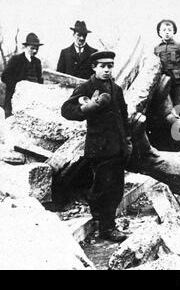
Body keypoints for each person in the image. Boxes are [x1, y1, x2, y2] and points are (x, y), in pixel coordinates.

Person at [61, 51, 132, 242]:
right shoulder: (87, 87)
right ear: (94, 67)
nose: (107, 70)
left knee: (116, 188)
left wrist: (128, 140)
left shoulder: (116, 89)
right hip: (99, 147)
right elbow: (66, 110)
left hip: (117, 146)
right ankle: (107, 229)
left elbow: (123, 116)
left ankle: (102, 216)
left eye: (110, 66)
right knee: (105, 188)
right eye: (102, 66)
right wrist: (85, 108)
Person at [154, 19, 180, 119]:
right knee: (164, 103)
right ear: (159, 33)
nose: (167, 32)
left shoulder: (178, 46)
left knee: (177, 103)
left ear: (174, 32)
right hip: (162, 80)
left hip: (176, 79)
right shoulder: (157, 48)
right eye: (164, 30)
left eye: (169, 30)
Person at [1, 33, 44, 118]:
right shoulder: (16, 59)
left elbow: (39, 80)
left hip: (31, 101)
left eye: (37, 49)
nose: (35, 51)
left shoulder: (37, 62)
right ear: (26, 47)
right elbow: (4, 77)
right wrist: (18, 86)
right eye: (32, 48)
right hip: (14, 100)